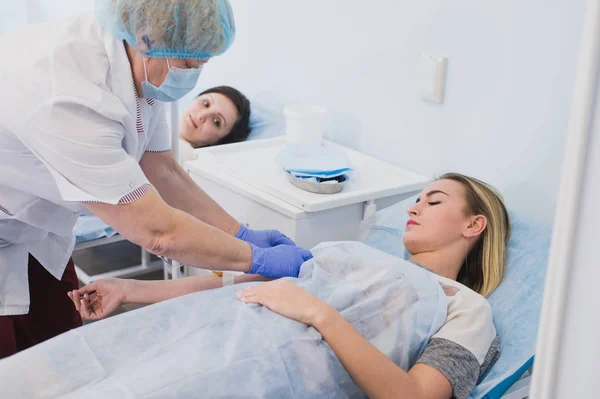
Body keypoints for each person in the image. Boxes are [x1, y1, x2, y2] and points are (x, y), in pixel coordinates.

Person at [0, 0, 311, 360]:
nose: (193, 75)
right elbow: (158, 232)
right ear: (146, 38)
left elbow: (161, 169)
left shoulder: (143, 65)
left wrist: (239, 233)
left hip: (32, 226)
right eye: (190, 64)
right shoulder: (65, 94)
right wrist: (254, 258)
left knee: (58, 348)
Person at [70, 173, 511, 399]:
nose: (415, 208)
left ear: (474, 224)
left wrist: (317, 313)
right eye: (417, 198)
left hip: (266, 379)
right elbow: (230, 284)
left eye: (434, 201)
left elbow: (412, 396)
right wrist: (129, 293)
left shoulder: (466, 308)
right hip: (206, 344)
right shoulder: (353, 254)